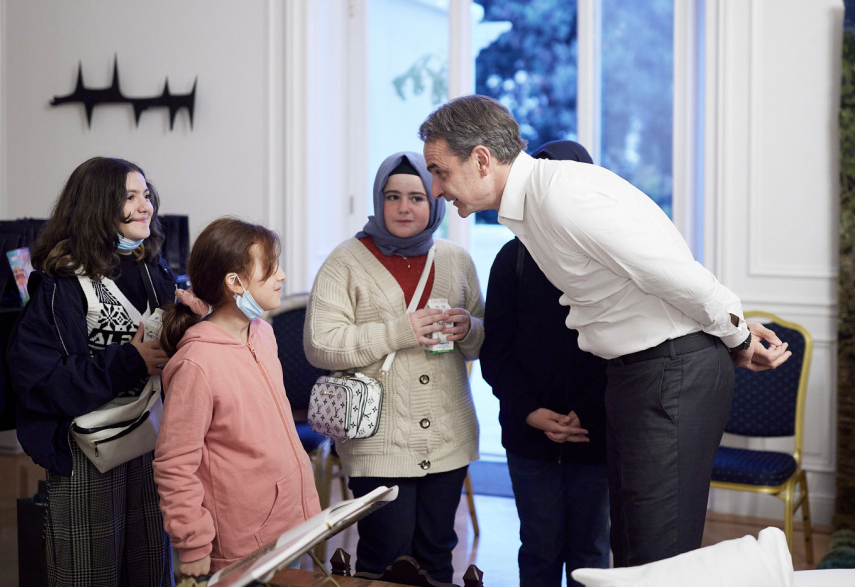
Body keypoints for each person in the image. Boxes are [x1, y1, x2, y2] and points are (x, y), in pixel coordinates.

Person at [419, 95, 792, 567]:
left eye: (439, 171)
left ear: (480, 159)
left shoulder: (561, 196)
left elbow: (673, 272)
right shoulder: (534, 207)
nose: (435, 188)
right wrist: (729, 329)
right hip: (642, 373)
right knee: (634, 551)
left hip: (669, 371)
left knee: (659, 559)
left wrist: (735, 333)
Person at [303, 151, 484, 583]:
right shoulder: (345, 261)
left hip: (447, 437)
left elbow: (482, 341)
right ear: (378, 200)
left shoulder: (456, 259)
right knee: (386, 555)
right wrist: (397, 332)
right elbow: (319, 344)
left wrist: (468, 328)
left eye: (417, 197)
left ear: (435, 202)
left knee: (439, 552)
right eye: (393, 196)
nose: (404, 207)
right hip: (376, 440)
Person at [7, 156, 175, 586]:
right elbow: (42, 384)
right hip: (87, 454)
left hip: (150, 443)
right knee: (90, 574)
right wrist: (130, 361)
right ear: (99, 206)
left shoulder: (151, 268)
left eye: (146, 194)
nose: (146, 206)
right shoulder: (58, 285)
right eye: (130, 197)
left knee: (150, 570)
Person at [153, 217, 321, 578]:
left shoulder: (262, 334)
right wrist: (193, 542)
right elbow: (174, 464)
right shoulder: (197, 363)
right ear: (235, 282)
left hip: (287, 525)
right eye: (271, 268)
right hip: (242, 545)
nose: (282, 276)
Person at [480, 140, 609, 587]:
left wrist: (583, 417)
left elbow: (626, 353)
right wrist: (532, 412)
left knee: (591, 553)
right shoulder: (510, 259)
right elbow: (494, 352)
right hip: (528, 434)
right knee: (538, 547)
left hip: (597, 436)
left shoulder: (611, 259)